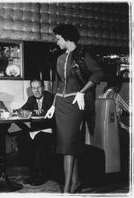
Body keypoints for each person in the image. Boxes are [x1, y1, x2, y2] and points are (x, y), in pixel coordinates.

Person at [45, 24, 104, 193]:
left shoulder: (83, 54)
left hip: (75, 104)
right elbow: (57, 84)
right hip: (61, 105)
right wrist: (53, 106)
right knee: (70, 144)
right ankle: (75, 182)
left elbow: (98, 73)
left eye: (58, 39)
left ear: (67, 37)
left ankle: (66, 189)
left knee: (67, 146)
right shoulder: (59, 58)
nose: (57, 43)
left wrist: (82, 92)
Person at [16, 79, 55, 186]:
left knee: (40, 138)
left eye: (39, 87)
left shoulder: (51, 97)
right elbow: (20, 111)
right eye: (34, 88)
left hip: (49, 130)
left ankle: (41, 174)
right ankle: (32, 172)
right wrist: (31, 112)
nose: (36, 90)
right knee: (22, 138)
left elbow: (52, 112)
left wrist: (42, 112)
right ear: (31, 89)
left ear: (43, 88)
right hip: (36, 130)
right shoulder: (31, 99)